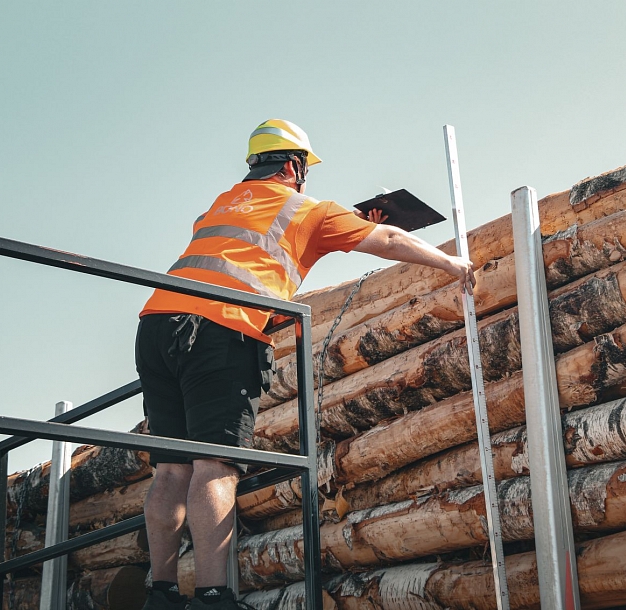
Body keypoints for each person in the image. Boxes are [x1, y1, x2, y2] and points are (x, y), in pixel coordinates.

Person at [135, 119, 475, 610]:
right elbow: (393, 238)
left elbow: (254, 253)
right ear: (294, 166)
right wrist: (453, 265)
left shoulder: (223, 204)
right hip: (220, 329)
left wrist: (338, 226)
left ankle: (161, 595)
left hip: (156, 324)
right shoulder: (310, 210)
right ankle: (213, 597)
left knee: (169, 472)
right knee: (214, 464)